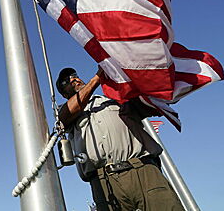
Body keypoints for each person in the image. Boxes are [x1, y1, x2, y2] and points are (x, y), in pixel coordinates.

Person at [56, 67, 185, 211]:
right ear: (63, 93)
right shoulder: (65, 112)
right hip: (103, 181)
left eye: (74, 75)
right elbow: (67, 114)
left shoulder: (114, 98)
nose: (74, 79)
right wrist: (98, 77)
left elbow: (153, 103)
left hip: (143, 170)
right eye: (66, 81)